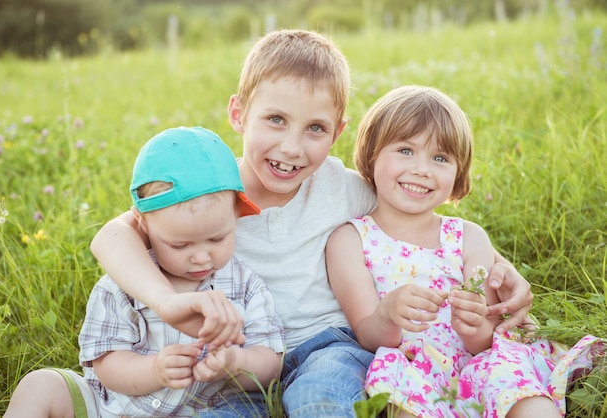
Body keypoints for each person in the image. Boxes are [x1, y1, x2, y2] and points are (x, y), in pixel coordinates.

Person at [88, 30, 534, 417]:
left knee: (321, 398)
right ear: (239, 114)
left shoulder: (341, 188)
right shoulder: (211, 191)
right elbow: (113, 237)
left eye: (315, 129)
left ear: (337, 133)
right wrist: (165, 303)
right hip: (238, 357)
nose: (292, 148)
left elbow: (416, 210)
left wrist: (496, 265)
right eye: (276, 120)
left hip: (328, 344)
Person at [325, 85, 604, 417]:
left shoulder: (468, 237)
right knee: (403, 405)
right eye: (405, 150)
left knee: (523, 394)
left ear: (458, 175)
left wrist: (472, 326)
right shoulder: (350, 239)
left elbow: (487, 338)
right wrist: (388, 313)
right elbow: (368, 335)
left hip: (479, 360)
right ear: (371, 156)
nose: (422, 169)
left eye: (440, 158)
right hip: (413, 366)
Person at [4, 126, 285, 418]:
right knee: (40, 385)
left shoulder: (244, 284)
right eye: (180, 244)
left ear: (236, 215)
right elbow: (106, 364)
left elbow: (271, 363)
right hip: (108, 409)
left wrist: (234, 361)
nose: (202, 256)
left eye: (218, 239)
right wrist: (154, 370)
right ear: (144, 224)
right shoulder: (125, 282)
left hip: (201, 410)